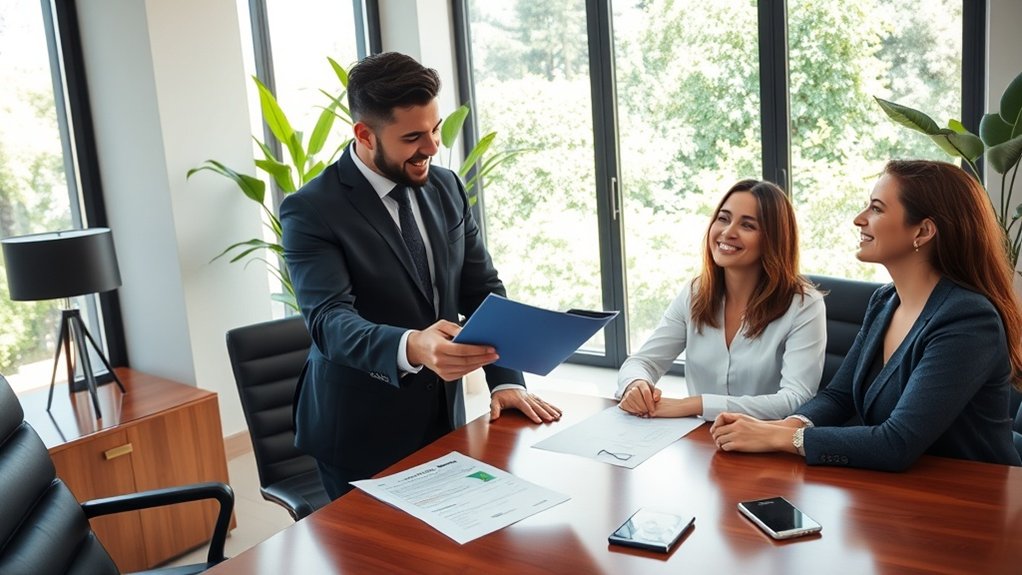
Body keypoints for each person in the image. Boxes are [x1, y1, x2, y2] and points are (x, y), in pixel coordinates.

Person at [280, 52, 561, 499]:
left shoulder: (446, 186)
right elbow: (329, 322)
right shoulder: (312, 209)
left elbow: (482, 289)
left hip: (440, 418)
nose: (431, 147)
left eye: (433, 130)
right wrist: (411, 345)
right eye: (413, 137)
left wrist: (505, 380)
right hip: (357, 431)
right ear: (364, 134)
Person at [710, 160, 1022, 471]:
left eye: (876, 209)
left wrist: (782, 439)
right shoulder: (885, 301)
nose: (860, 219)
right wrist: (781, 426)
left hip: (975, 499)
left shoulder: (968, 320)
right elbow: (838, 396)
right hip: (903, 493)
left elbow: (896, 443)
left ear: (924, 231)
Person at [616, 179, 826, 421]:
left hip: (767, 447)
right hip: (701, 441)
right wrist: (636, 384)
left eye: (747, 225)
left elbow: (795, 399)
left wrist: (695, 405)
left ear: (773, 239)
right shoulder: (696, 292)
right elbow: (644, 361)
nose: (727, 232)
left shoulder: (804, 305)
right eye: (723, 219)